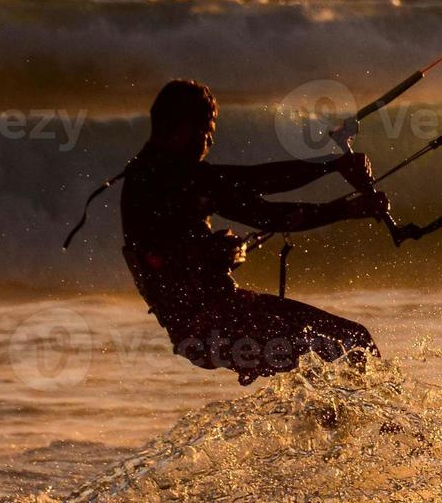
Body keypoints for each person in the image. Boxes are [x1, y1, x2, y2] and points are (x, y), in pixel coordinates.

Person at [120, 79, 388, 385]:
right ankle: (389, 431)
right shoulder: (166, 177)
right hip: (222, 329)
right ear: (182, 128)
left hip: (208, 332)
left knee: (330, 365)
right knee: (354, 344)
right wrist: (338, 183)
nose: (209, 139)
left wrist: (220, 253)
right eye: (207, 128)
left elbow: (259, 208)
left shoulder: (152, 175)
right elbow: (262, 197)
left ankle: (342, 431)